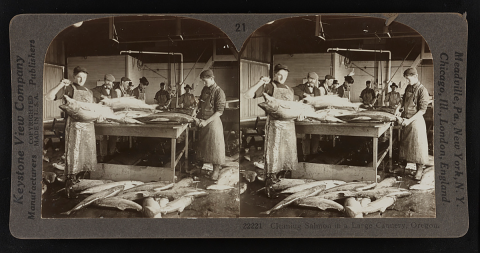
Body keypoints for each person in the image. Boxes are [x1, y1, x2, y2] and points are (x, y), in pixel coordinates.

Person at [243, 64, 305, 198]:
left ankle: (281, 183)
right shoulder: (270, 86)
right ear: (275, 74)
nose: (283, 77)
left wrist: (300, 114)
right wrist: (260, 82)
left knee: (287, 154)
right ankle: (269, 186)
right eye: (280, 74)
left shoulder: (290, 89)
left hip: (289, 125)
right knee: (274, 154)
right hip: (275, 125)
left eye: (285, 75)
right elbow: (247, 95)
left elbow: (292, 108)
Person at [44, 66, 97, 198]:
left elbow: (93, 109)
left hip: (89, 128)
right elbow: (48, 97)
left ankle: (82, 184)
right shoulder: (69, 88)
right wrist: (60, 84)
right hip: (74, 127)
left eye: (84, 77)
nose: (81, 79)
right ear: (74, 77)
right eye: (79, 77)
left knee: (86, 156)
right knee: (74, 156)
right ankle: (70, 187)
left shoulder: (89, 92)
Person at [396, 67, 429, 180]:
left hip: (416, 122)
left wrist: (409, 121)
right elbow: (403, 100)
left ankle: (419, 170)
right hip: (406, 120)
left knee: (417, 147)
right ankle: (402, 167)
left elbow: (422, 111)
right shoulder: (408, 87)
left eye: (408, 79)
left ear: (415, 76)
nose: (407, 81)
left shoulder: (422, 90)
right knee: (405, 145)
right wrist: (398, 109)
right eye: (406, 79)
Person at [196, 70, 226, 180]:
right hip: (203, 121)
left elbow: (219, 112)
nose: (204, 83)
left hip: (213, 123)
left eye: (205, 81)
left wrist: (205, 122)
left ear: (212, 78)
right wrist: (196, 111)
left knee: (215, 148)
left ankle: (216, 171)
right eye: (203, 81)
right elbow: (200, 102)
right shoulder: (205, 89)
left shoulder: (219, 92)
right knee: (205, 147)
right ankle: (205, 168)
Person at [293, 72, 321, 161]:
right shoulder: (301, 87)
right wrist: (304, 94)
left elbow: (319, 102)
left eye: (314, 79)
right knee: (306, 135)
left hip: (314, 114)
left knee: (316, 134)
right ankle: (306, 154)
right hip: (304, 113)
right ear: (307, 78)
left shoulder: (317, 90)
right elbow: (292, 89)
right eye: (310, 79)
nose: (312, 81)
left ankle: (314, 152)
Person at [92, 74, 118, 162]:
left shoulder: (114, 92)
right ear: (105, 81)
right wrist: (102, 97)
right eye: (108, 81)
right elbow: (91, 91)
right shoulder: (98, 89)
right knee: (103, 135)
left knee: (113, 134)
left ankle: (112, 153)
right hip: (102, 116)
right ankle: (103, 155)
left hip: (111, 115)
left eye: (111, 82)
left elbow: (115, 103)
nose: (110, 83)